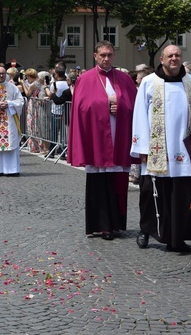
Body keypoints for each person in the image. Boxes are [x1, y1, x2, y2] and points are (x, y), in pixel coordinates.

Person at [131, 45, 191, 253]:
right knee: (151, 192)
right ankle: (146, 229)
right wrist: (143, 147)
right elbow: (139, 116)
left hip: (185, 148)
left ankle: (177, 238)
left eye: (177, 55)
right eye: (170, 56)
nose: (174, 59)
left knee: (181, 195)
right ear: (162, 59)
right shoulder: (149, 82)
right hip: (157, 148)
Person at [68, 41, 138, 240]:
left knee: (117, 182)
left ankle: (116, 224)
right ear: (95, 56)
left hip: (119, 138)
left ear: (114, 56)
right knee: (99, 182)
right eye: (102, 55)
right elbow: (82, 109)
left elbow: (134, 106)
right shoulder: (85, 79)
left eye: (109, 55)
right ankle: (102, 225)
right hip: (97, 140)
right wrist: (104, 109)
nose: (106, 58)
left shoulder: (124, 79)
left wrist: (121, 109)